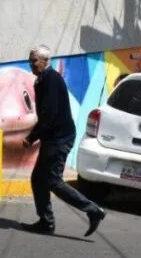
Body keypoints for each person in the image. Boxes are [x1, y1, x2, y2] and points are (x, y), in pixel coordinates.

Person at [22, 45, 105, 236]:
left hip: (59, 138)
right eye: (30, 60)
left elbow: (49, 115)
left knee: (52, 180)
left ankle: (93, 210)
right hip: (54, 137)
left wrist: (31, 137)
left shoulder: (51, 79)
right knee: (39, 179)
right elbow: (46, 115)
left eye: (34, 60)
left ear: (45, 61)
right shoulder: (42, 80)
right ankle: (46, 222)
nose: (31, 64)